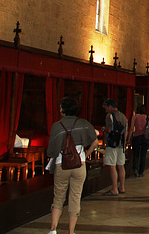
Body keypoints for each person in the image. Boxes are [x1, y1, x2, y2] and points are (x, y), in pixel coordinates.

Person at [47, 97, 98, 234]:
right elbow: (95, 142)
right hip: (79, 164)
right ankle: (71, 231)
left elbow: (51, 150)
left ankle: (53, 229)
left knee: (58, 197)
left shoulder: (57, 126)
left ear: (63, 110)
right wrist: (86, 155)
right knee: (75, 198)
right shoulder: (84, 124)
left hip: (61, 165)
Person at [102, 99, 128, 196]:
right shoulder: (123, 116)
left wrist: (103, 129)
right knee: (121, 166)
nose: (105, 110)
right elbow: (126, 131)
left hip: (112, 143)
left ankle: (114, 188)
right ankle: (122, 187)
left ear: (110, 107)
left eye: (105, 108)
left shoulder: (110, 116)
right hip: (121, 144)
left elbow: (109, 129)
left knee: (112, 166)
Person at [127, 104, 149, 177]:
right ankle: (141, 171)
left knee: (136, 154)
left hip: (137, 136)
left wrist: (129, 138)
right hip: (145, 138)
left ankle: (135, 170)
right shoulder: (147, 117)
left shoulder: (135, 117)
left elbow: (131, 128)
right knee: (143, 155)